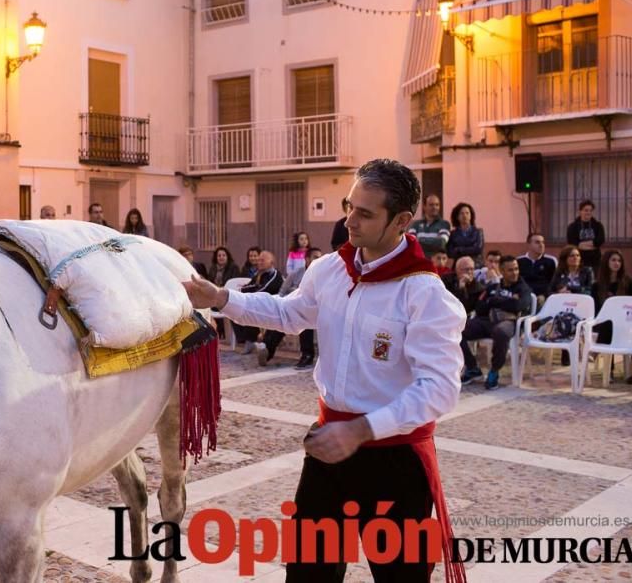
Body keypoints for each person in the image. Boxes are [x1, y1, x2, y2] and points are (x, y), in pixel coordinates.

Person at [184, 159, 467, 583]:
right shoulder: (332, 269)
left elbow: (439, 390)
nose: (349, 220)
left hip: (395, 462)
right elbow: (289, 312)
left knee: (401, 577)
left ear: (402, 221)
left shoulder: (424, 293)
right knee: (308, 574)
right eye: (349, 206)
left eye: (365, 213)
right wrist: (222, 297)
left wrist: (361, 430)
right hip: (328, 453)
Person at [459, 255, 533, 390]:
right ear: (502, 271)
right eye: (510, 270)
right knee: (457, 329)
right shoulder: (492, 287)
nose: (515, 273)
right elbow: (480, 307)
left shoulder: (523, 288)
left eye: (516, 269)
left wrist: (494, 300)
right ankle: (472, 367)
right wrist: (507, 301)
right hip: (488, 320)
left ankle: (494, 370)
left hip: (510, 322)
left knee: (500, 332)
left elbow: (519, 306)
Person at [591, 250, 632, 384]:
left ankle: (596, 355)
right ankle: (608, 370)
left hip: (626, 323)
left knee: (610, 322)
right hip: (603, 322)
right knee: (608, 321)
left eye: (619, 261)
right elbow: (595, 310)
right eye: (613, 260)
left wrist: (618, 303)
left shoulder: (627, 281)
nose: (616, 263)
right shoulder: (597, 285)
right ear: (606, 262)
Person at [229, 251, 283, 361]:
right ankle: (251, 339)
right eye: (259, 260)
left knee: (248, 307)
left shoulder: (275, 275)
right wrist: (240, 292)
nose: (259, 262)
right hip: (257, 304)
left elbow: (264, 289)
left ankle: (264, 348)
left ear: (271, 262)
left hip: (272, 306)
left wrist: (249, 294)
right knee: (233, 308)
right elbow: (249, 287)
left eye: (263, 260)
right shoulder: (258, 275)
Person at [517, 233, 557, 304]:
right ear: (529, 245)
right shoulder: (519, 261)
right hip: (524, 295)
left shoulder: (550, 261)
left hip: (543, 297)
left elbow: (553, 282)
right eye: (537, 242)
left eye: (543, 242)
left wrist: (545, 295)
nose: (541, 245)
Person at [566, 200, 605, 271]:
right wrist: (592, 244)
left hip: (595, 261)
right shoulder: (572, 227)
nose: (588, 212)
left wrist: (582, 244)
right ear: (580, 211)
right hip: (579, 261)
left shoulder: (598, 226)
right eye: (586, 210)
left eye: (590, 210)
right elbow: (573, 244)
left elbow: (600, 241)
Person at [409, 194, 450, 259]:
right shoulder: (415, 224)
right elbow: (411, 243)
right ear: (424, 206)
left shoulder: (444, 224)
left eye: (437, 205)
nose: (434, 207)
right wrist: (434, 242)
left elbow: (441, 243)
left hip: (437, 264)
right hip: (419, 261)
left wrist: (419, 240)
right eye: (431, 205)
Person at [446, 202, 484, 266]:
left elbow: (478, 249)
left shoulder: (478, 232)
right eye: (461, 213)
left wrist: (459, 249)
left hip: (476, 265)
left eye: (467, 213)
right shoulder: (453, 234)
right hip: (459, 266)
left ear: (471, 216)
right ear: (457, 217)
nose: (465, 215)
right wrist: (470, 248)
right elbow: (450, 252)